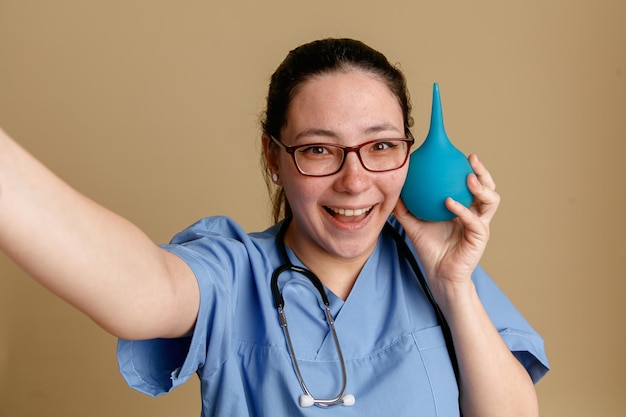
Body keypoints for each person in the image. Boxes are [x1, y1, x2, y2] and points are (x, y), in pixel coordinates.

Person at [0, 38, 548, 416]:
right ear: (274, 156)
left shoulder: (441, 274)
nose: (354, 181)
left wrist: (454, 286)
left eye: (380, 146)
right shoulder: (232, 273)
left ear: (407, 153)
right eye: (318, 149)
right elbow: (142, 286)